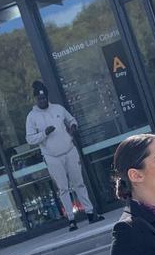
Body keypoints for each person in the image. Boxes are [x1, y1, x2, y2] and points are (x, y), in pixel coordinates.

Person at [25, 81, 104, 231]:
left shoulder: (58, 109)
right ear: (35, 99)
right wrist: (44, 134)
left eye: (44, 98)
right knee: (63, 188)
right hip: (52, 156)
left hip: (69, 150)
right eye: (39, 99)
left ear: (47, 97)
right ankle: (71, 219)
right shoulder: (32, 117)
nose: (42, 101)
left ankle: (90, 212)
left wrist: (73, 127)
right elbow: (29, 139)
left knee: (79, 183)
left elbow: (71, 119)